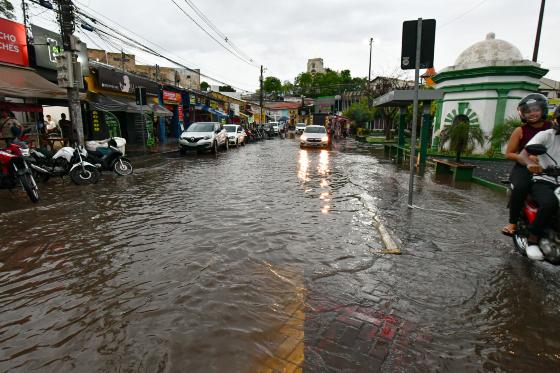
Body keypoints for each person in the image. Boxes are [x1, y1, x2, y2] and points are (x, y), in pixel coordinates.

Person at [502, 93, 551, 237]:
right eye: (528, 111)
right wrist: (526, 159)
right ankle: (512, 222)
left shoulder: (553, 128)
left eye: (535, 109)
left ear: (543, 109)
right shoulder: (520, 130)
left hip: (549, 168)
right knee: (522, 187)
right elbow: (509, 153)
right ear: (523, 114)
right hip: (524, 168)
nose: (532, 114)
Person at [520, 105, 560, 260]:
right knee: (549, 203)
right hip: (544, 179)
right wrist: (530, 164)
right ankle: (533, 240)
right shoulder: (545, 135)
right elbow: (524, 153)